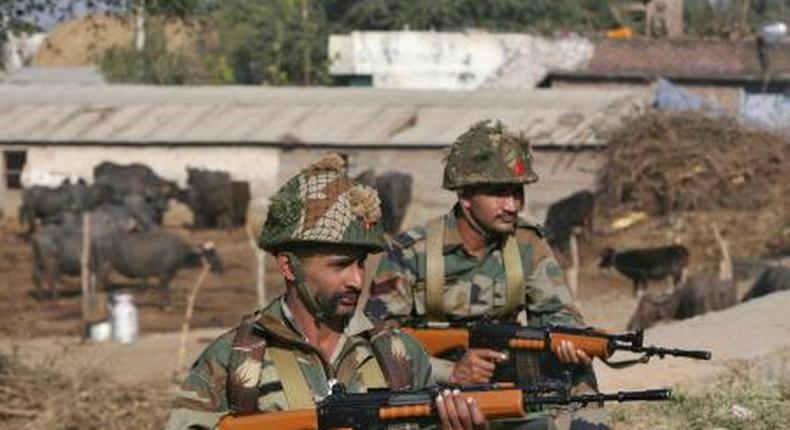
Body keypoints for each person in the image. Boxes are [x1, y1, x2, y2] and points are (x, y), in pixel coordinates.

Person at [165, 154, 487, 430]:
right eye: (340, 265)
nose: (357, 281)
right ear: (289, 267)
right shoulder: (233, 360)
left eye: (361, 264)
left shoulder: (398, 354)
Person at [364, 121, 608, 429]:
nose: (512, 205)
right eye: (499, 193)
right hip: (436, 393)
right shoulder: (411, 252)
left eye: (517, 192)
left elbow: (557, 310)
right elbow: (378, 339)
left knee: (578, 371)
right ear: (465, 197)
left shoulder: (527, 243)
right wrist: (447, 372)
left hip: (506, 382)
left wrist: (569, 337)